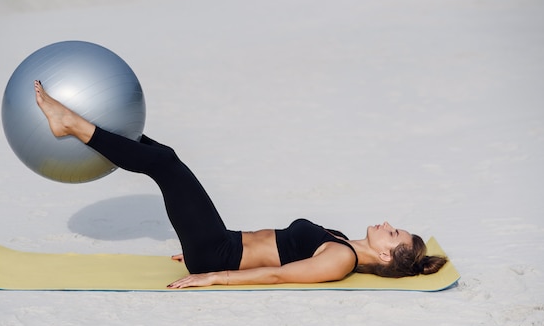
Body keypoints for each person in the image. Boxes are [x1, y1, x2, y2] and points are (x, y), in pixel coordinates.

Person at [33, 80, 447, 289]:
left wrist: (211, 276)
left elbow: (277, 275)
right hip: (218, 241)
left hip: (217, 253)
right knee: (167, 158)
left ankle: (72, 124)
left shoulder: (339, 260)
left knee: (164, 164)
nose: (388, 223)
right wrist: (196, 246)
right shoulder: (341, 242)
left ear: (385, 253)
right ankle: (89, 127)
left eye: (393, 233)